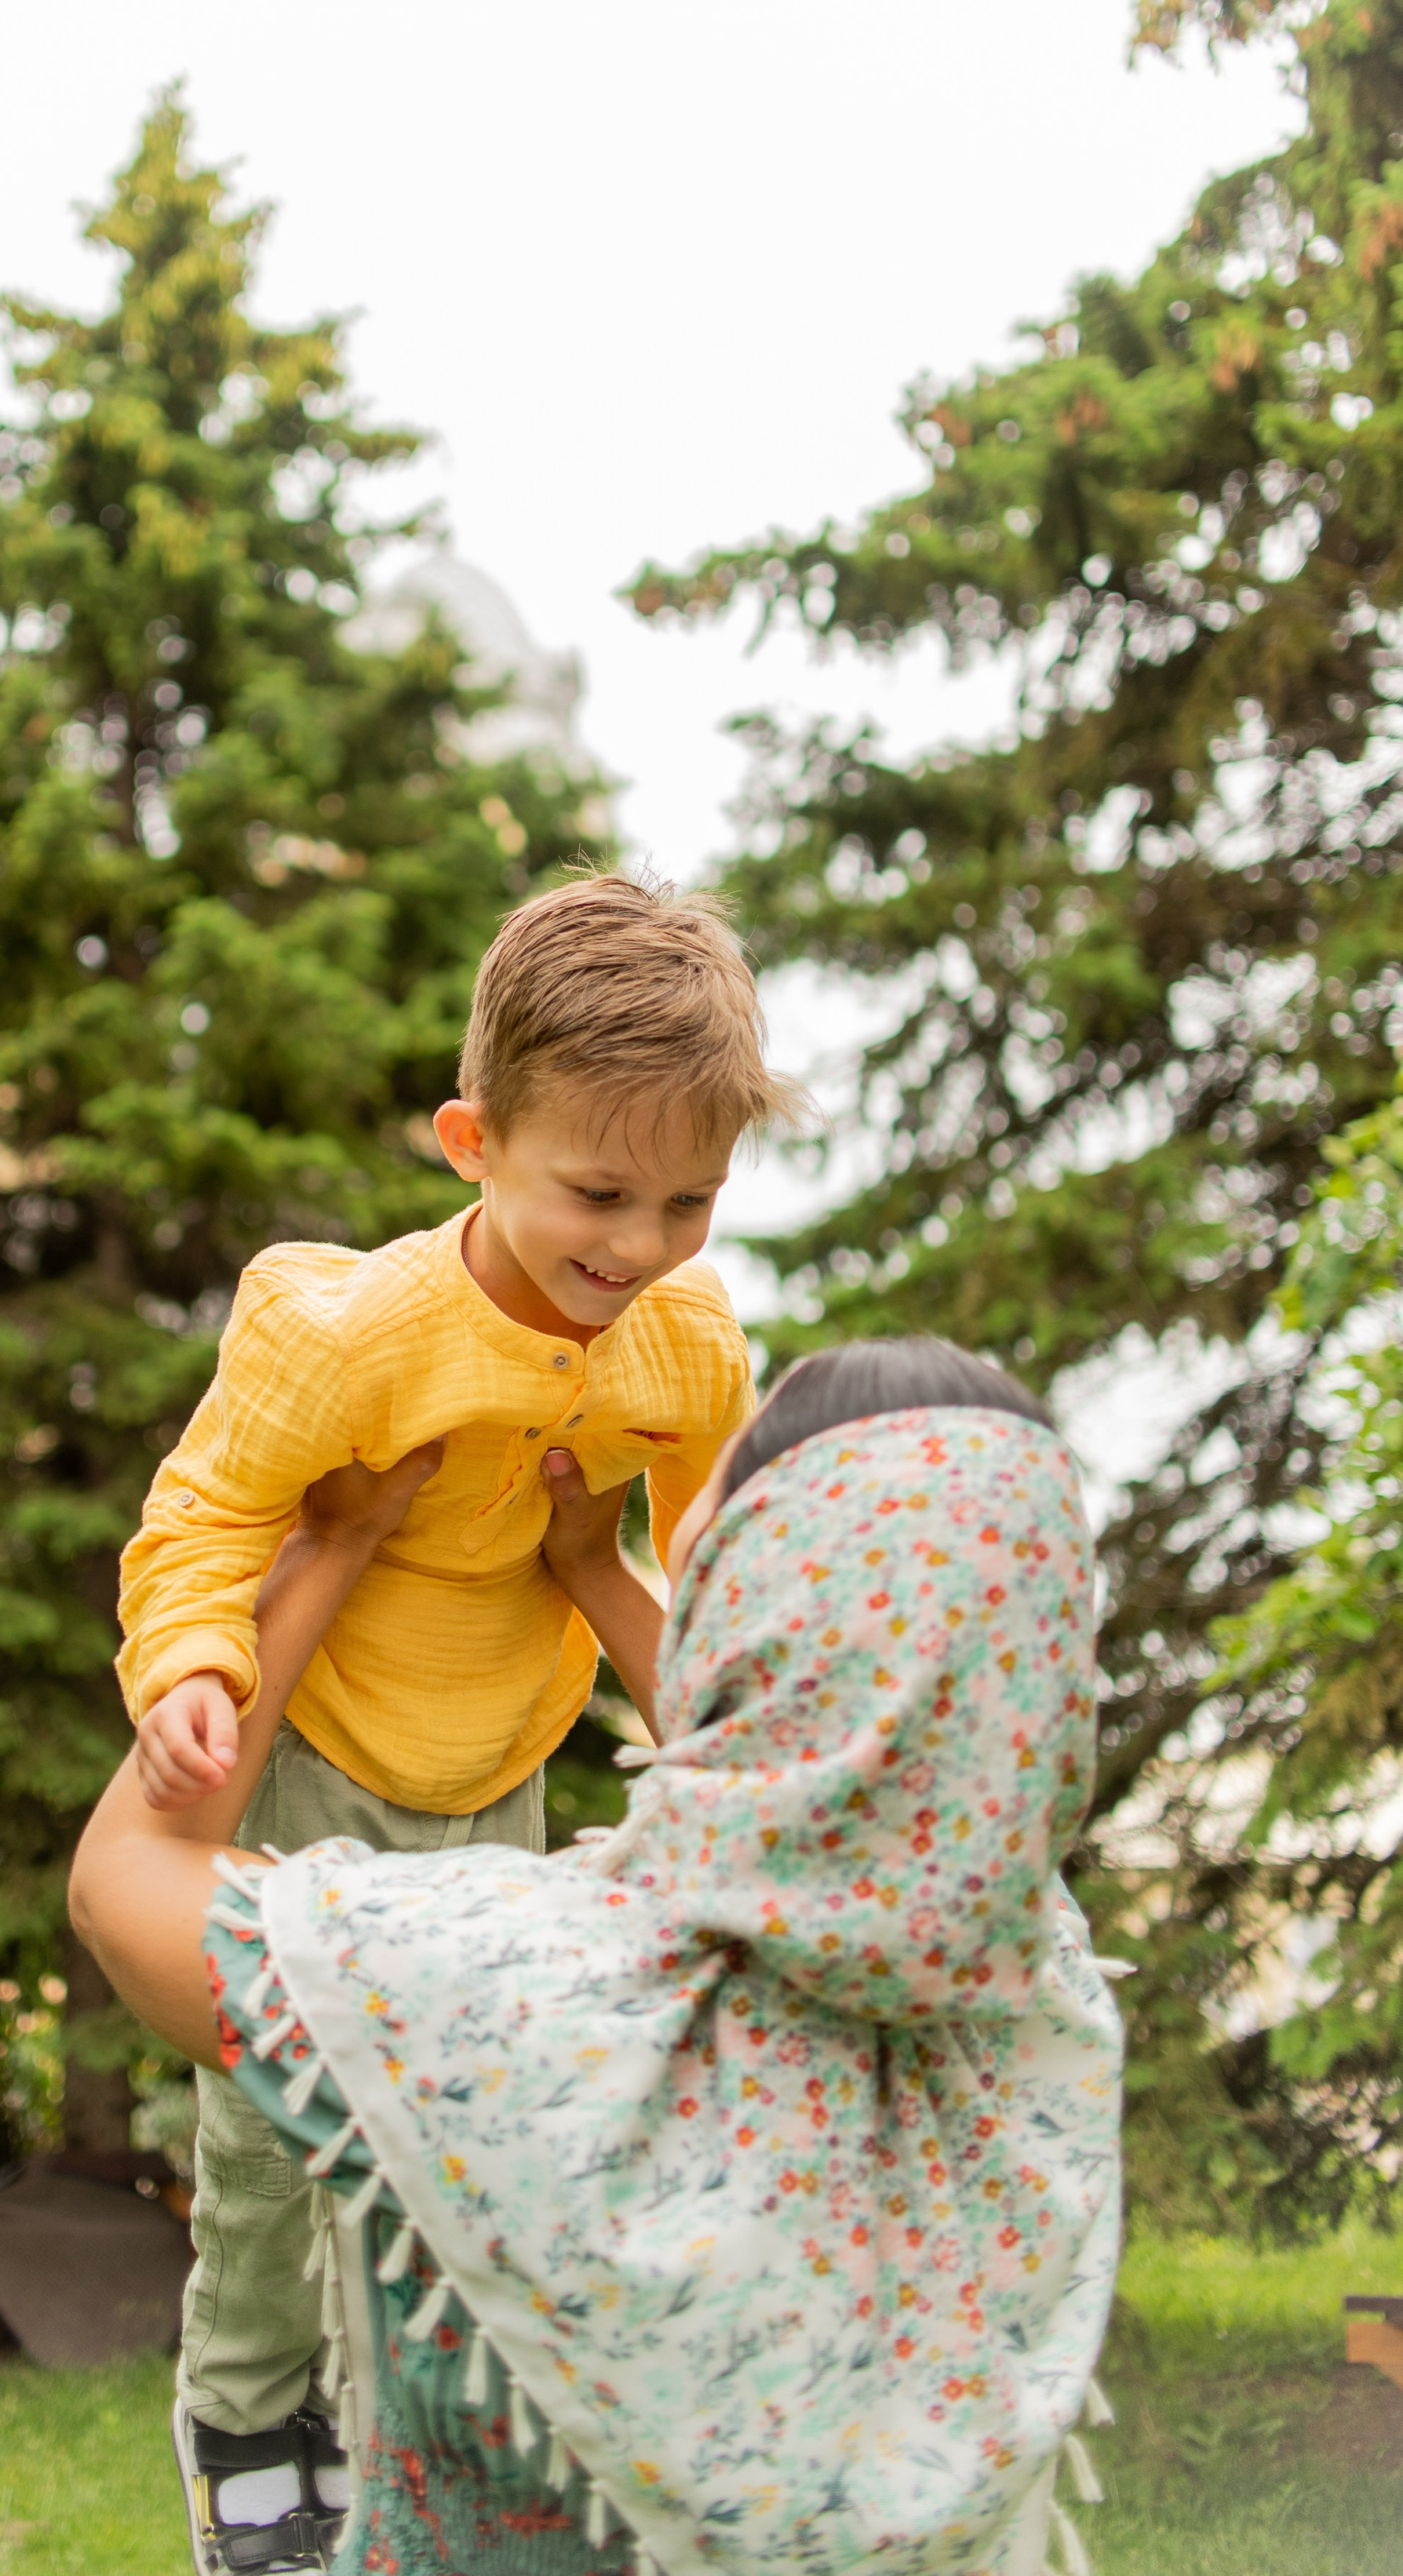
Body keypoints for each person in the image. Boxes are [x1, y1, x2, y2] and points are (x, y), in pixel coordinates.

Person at [72, 1336, 1124, 2576]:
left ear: (747, 1602)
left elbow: (126, 1883)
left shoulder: (506, 1987)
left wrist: (331, 1549)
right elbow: (861, 1771)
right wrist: (597, 1567)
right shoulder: (1038, 2018)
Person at [113, 875, 804, 2572]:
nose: (636, 1246)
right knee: (275, 2141)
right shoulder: (347, 1333)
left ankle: (381, 2443)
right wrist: (189, 1676)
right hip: (313, 1758)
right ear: (470, 1141)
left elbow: (710, 1557)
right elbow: (200, 1516)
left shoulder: (684, 1343)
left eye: (686, 1200)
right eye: (596, 1191)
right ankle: (244, 2417)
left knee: (448, 2142)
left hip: (499, 1776)